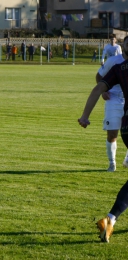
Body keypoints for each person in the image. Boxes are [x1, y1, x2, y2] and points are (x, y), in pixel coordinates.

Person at [78, 35, 128, 243]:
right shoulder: (117, 66)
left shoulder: (120, 69)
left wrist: (85, 116)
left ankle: (110, 220)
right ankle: (110, 218)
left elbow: (98, 88)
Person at [96, 51, 128, 172]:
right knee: (112, 134)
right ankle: (112, 163)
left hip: (127, 99)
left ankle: (127, 159)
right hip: (113, 98)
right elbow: (99, 75)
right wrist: (103, 91)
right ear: (123, 46)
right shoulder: (113, 61)